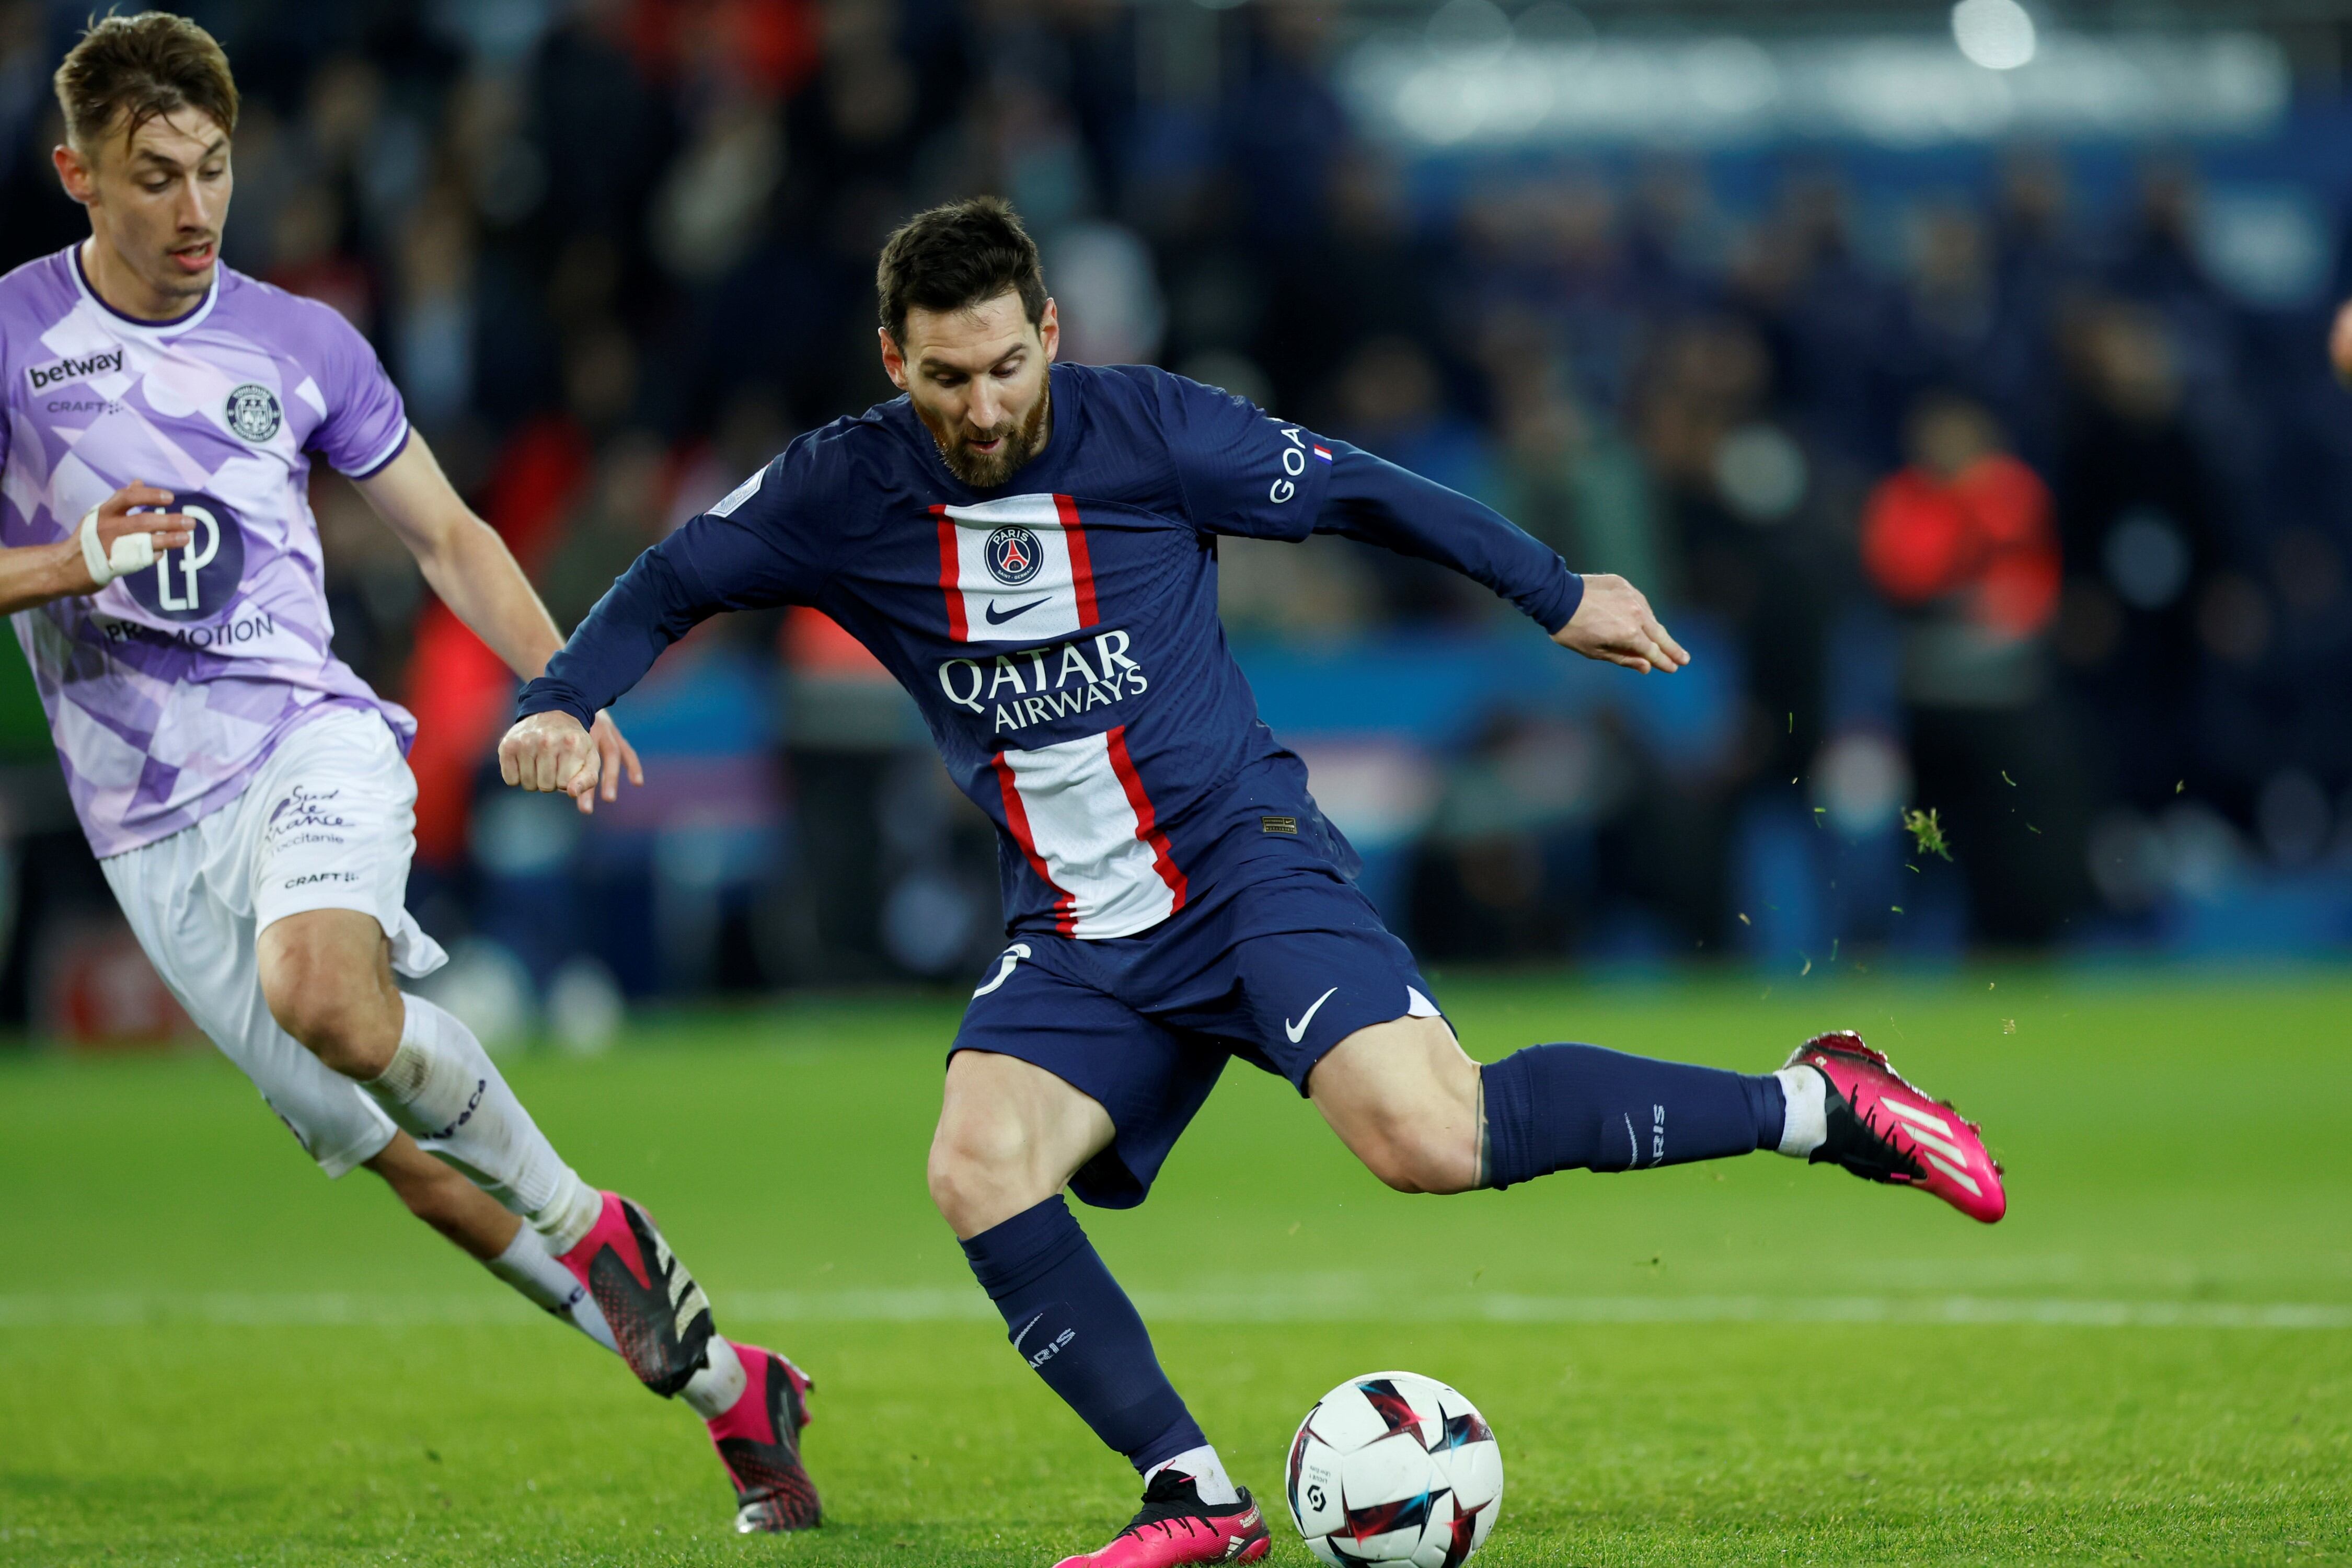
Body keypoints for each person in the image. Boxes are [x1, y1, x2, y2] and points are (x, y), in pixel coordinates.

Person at [502, 197, 2007, 1568]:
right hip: (1079, 927)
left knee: (1426, 1137)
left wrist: (1555, 593)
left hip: (1238, 862)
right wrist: (562, 698)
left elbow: (1360, 490)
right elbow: (675, 576)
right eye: (944, 378)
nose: (980, 407)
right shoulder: (838, 489)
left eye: (1005, 368)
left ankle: (1823, 1104)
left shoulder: (1153, 431)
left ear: (1050, 337)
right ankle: (1194, 1502)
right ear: (891, 359)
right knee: (974, 1164)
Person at [1, 14, 814, 1534]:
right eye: (156, 175)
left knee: (330, 994)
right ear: (77, 177)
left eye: (217, 172)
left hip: (308, 741)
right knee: (418, 1171)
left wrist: (571, 683)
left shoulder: (302, 343)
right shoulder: (12, 340)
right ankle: (733, 1395)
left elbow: (451, 535)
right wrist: (67, 562)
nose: (195, 209)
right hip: (148, 832)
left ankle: (595, 1221)